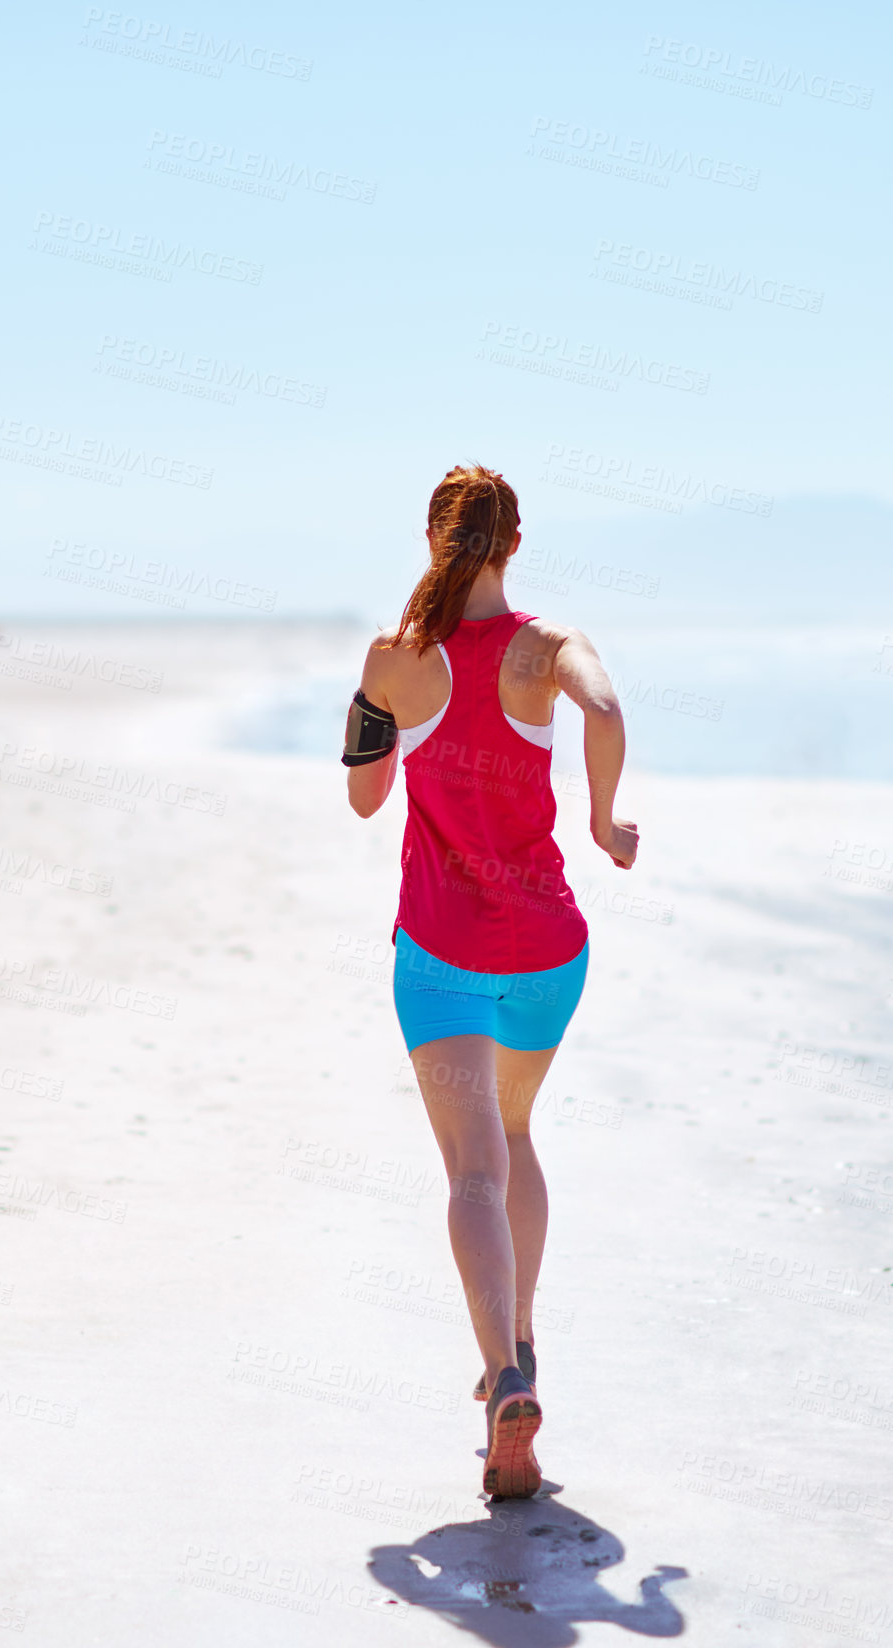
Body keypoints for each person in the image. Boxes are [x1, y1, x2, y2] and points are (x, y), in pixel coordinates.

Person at [342, 464, 638, 1499]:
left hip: (442, 958)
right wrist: (603, 822)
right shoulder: (550, 646)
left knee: (474, 1170)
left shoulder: (394, 657)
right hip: (548, 953)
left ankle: (506, 1371)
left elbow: (365, 801)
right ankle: (520, 1340)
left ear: (434, 538)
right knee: (514, 1138)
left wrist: (376, 705)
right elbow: (604, 713)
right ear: (513, 545)